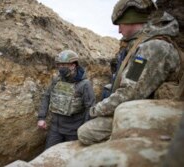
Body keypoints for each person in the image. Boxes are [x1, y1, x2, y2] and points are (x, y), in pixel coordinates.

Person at [77, 0, 182, 145]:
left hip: (154, 114)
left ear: (132, 21)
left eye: (120, 25)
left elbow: (130, 93)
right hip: (144, 109)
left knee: (87, 132)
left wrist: (96, 110)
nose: (119, 31)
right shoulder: (143, 45)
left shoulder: (152, 48)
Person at [37, 50, 95, 149]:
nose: (60, 67)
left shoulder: (85, 84)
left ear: (73, 65)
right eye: (59, 65)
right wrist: (41, 118)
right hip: (55, 128)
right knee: (49, 154)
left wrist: (84, 130)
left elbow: (90, 108)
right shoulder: (57, 80)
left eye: (63, 64)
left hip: (73, 131)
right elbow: (47, 96)